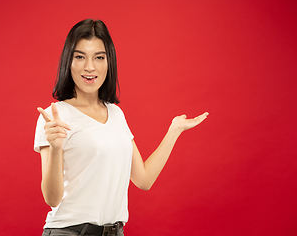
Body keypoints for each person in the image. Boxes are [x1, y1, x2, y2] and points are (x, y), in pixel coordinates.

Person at [34, 19, 208, 236]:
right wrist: (56, 148)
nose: (89, 67)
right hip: (69, 232)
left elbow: (143, 179)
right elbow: (52, 199)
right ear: (68, 62)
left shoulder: (116, 114)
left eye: (99, 57)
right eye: (80, 57)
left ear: (109, 62)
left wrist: (174, 130)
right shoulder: (54, 116)